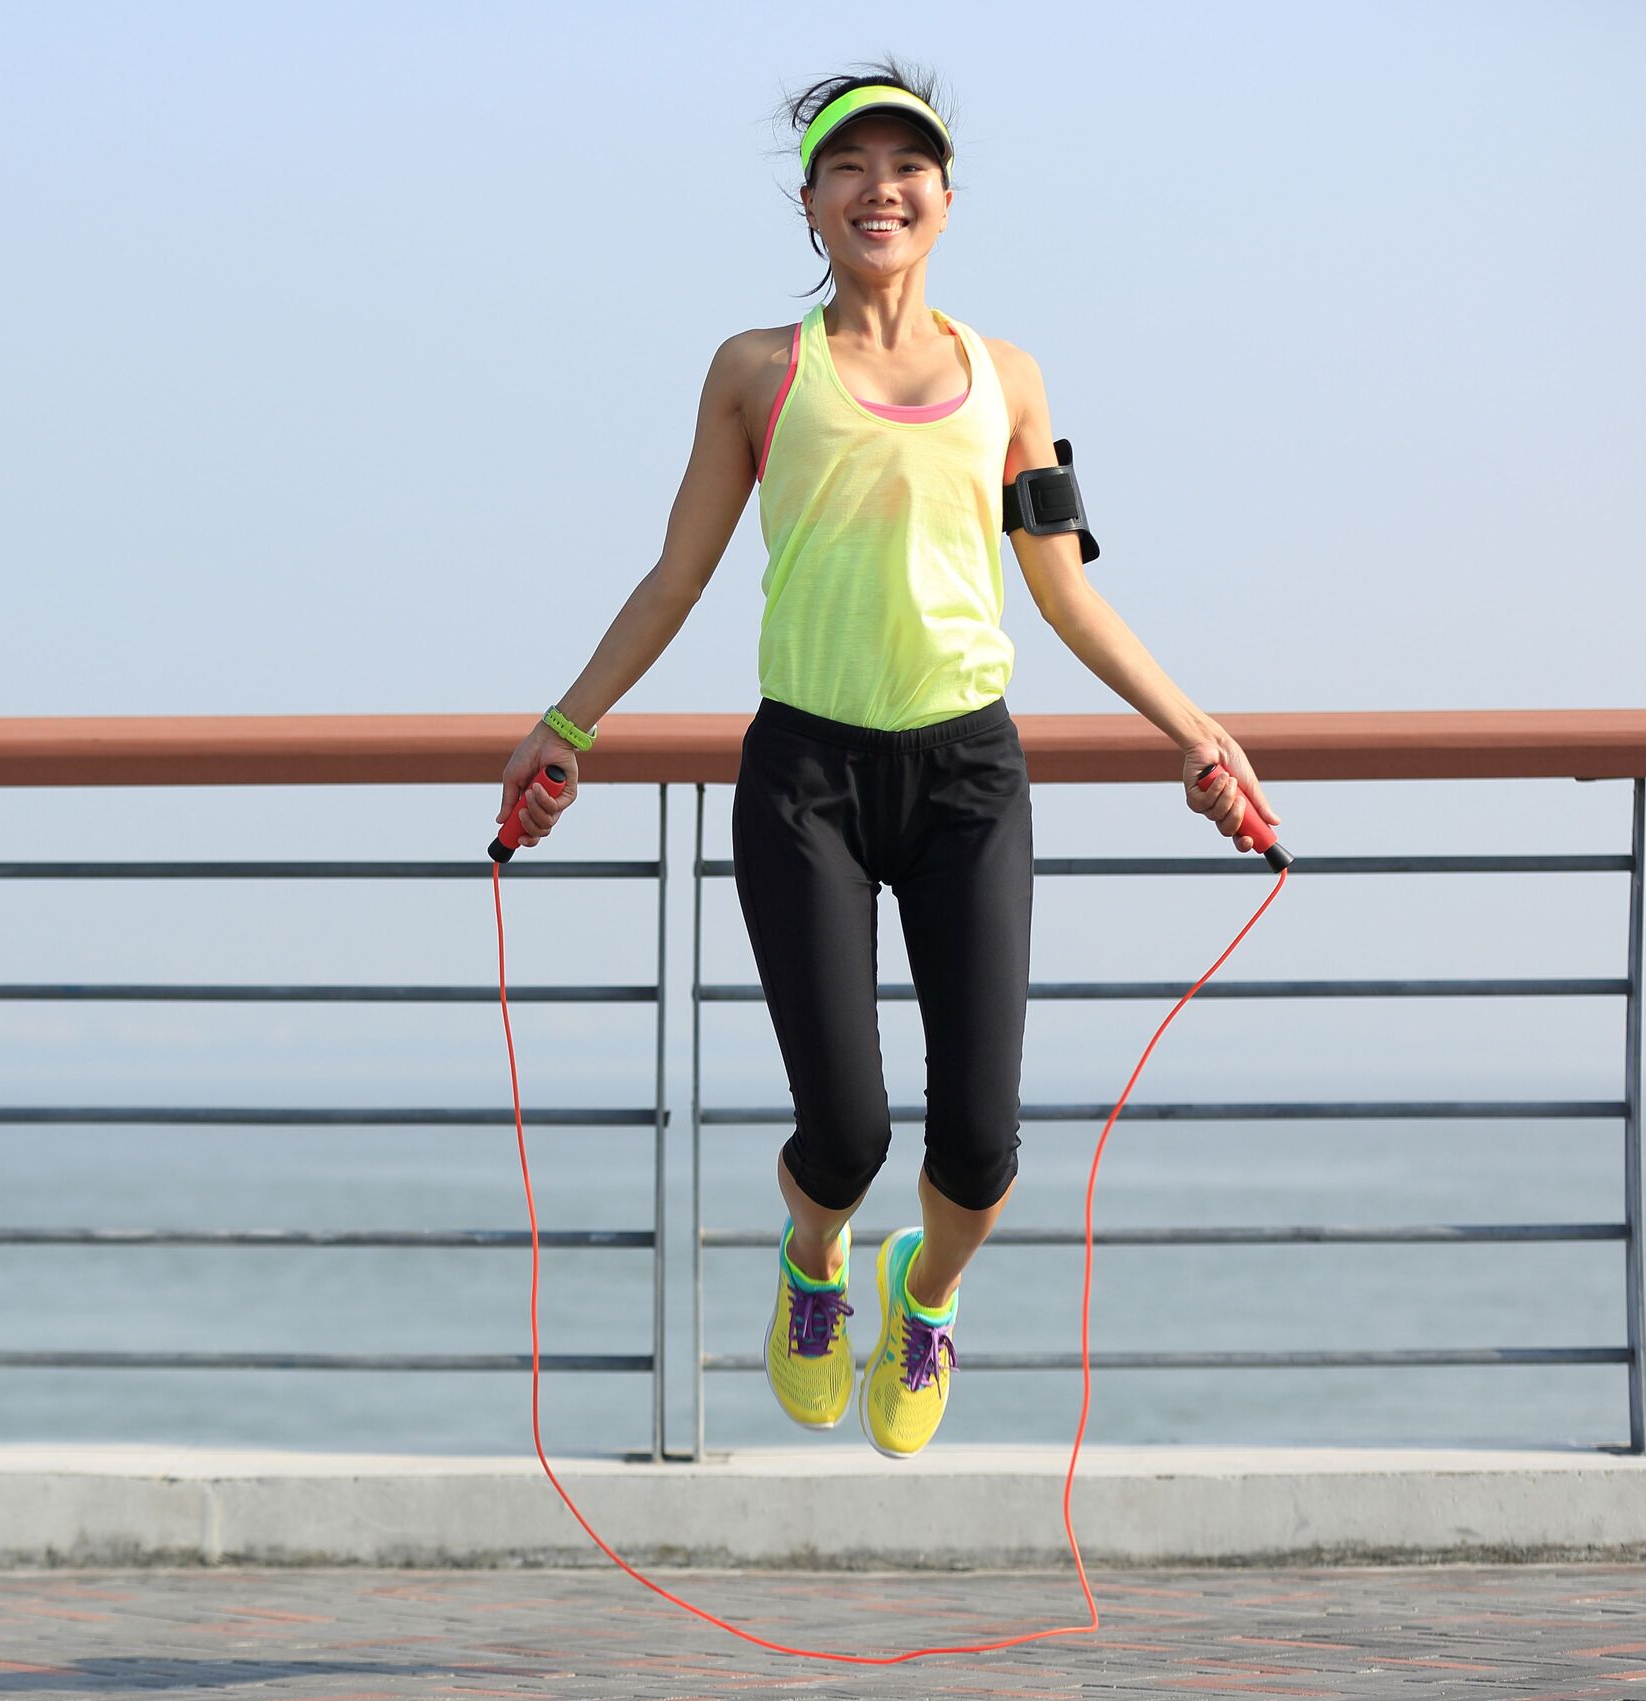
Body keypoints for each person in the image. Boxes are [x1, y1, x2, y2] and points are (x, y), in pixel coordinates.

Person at [495, 63, 1281, 1459]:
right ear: (808, 203)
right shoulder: (757, 371)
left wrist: (1196, 734)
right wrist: (564, 731)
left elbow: (1068, 592)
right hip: (806, 779)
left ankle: (922, 1300)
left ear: (946, 199)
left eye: (906, 165)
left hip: (969, 781)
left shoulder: (1009, 378)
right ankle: (815, 1265)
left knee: (980, 1147)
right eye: (847, 167)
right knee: (847, 1136)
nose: (880, 188)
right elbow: (678, 576)